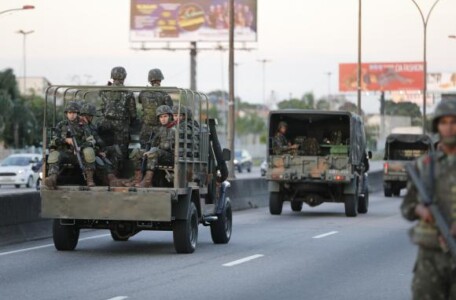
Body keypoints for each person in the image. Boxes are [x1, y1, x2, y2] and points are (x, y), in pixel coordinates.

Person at [401, 99, 456, 300]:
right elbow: (407, 207)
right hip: (430, 259)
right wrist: (421, 210)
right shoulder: (424, 166)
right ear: (437, 126)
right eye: (444, 122)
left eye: (453, 122)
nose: (449, 128)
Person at [44, 101, 96, 189]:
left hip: (80, 153)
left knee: (89, 151)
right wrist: (65, 140)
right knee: (54, 155)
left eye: (74, 113)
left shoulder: (83, 125)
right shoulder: (61, 125)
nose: (72, 115)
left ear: (77, 113)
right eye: (69, 113)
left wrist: (80, 147)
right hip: (65, 153)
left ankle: (90, 180)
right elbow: (54, 141)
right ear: (66, 114)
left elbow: (91, 141)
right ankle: (52, 179)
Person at [79, 103, 128, 187]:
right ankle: (108, 179)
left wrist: (102, 150)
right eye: (90, 116)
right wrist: (99, 151)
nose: (92, 118)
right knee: (101, 161)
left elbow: (98, 141)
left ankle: (114, 176)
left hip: (95, 149)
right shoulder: (79, 126)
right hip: (84, 151)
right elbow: (83, 143)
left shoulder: (91, 126)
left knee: (115, 149)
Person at [98, 66, 137, 170]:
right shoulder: (128, 93)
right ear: (124, 76)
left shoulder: (104, 90)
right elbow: (133, 114)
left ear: (112, 76)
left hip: (105, 124)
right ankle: (119, 173)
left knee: (105, 148)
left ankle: (106, 172)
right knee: (121, 149)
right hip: (122, 126)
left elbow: (101, 107)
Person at [131, 105, 176, 188]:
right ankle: (138, 179)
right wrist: (149, 149)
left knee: (153, 153)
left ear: (170, 116)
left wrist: (154, 150)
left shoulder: (174, 129)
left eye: (165, 116)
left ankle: (147, 181)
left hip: (171, 156)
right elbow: (153, 143)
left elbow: (168, 146)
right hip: (159, 154)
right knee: (136, 152)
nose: (163, 119)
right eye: (161, 117)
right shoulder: (160, 129)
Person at [138, 68, 173, 148]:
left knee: (144, 148)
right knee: (157, 148)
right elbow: (170, 110)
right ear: (160, 79)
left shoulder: (143, 93)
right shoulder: (164, 94)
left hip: (146, 127)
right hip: (160, 127)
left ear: (150, 80)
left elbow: (140, 101)